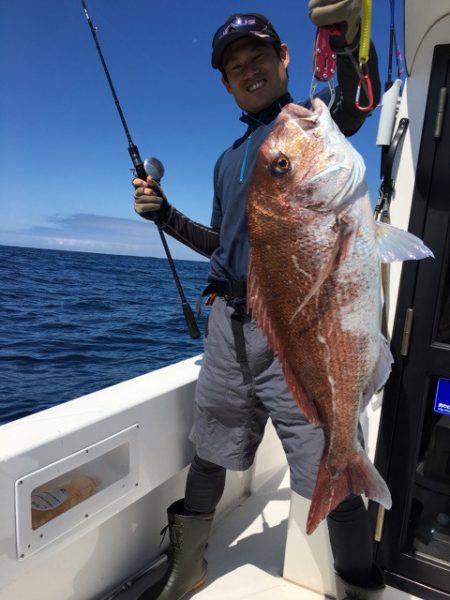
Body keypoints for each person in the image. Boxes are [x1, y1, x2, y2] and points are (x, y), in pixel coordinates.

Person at [133, 3, 384, 599]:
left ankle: (361, 586)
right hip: (228, 327)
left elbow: (358, 101)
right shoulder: (226, 161)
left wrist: (347, 38)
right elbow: (224, 246)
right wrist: (166, 216)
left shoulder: (305, 129)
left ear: (284, 59)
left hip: (297, 328)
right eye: (235, 67)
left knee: (331, 461)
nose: (249, 72)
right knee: (210, 448)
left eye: (259, 58)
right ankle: (187, 567)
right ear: (225, 82)